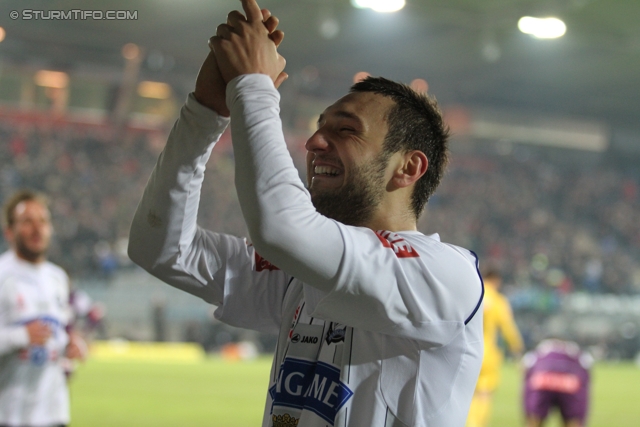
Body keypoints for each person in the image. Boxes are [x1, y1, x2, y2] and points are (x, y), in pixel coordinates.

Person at [128, 1, 484, 425]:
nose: (314, 142)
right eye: (319, 127)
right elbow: (161, 249)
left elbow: (281, 226)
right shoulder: (301, 276)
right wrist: (205, 111)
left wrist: (254, 85)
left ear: (408, 167)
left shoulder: (443, 276)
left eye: (346, 130)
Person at [0, 190, 86, 427]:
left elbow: (62, 328)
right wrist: (21, 336)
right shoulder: (2, 275)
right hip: (10, 413)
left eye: (43, 221)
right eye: (27, 221)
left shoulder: (57, 277)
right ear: (9, 231)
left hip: (53, 413)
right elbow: (25, 335)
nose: (37, 228)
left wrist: (72, 343)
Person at [466, 269, 523, 427]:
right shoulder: (498, 301)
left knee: (467, 394)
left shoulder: (470, 296)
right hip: (487, 354)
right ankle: (476, 425)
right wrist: (516, 348)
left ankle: (468, 422)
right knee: (484, 394)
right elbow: (507, 328)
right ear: (496, 280)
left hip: (465, 352)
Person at [522, 339, 592, 427]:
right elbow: (587, 369)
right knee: (573, 421)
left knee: (534, 420)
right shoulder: (574, 350)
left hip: (541, 380)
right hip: (570, 382)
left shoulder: (542, 348)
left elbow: (526, 366)